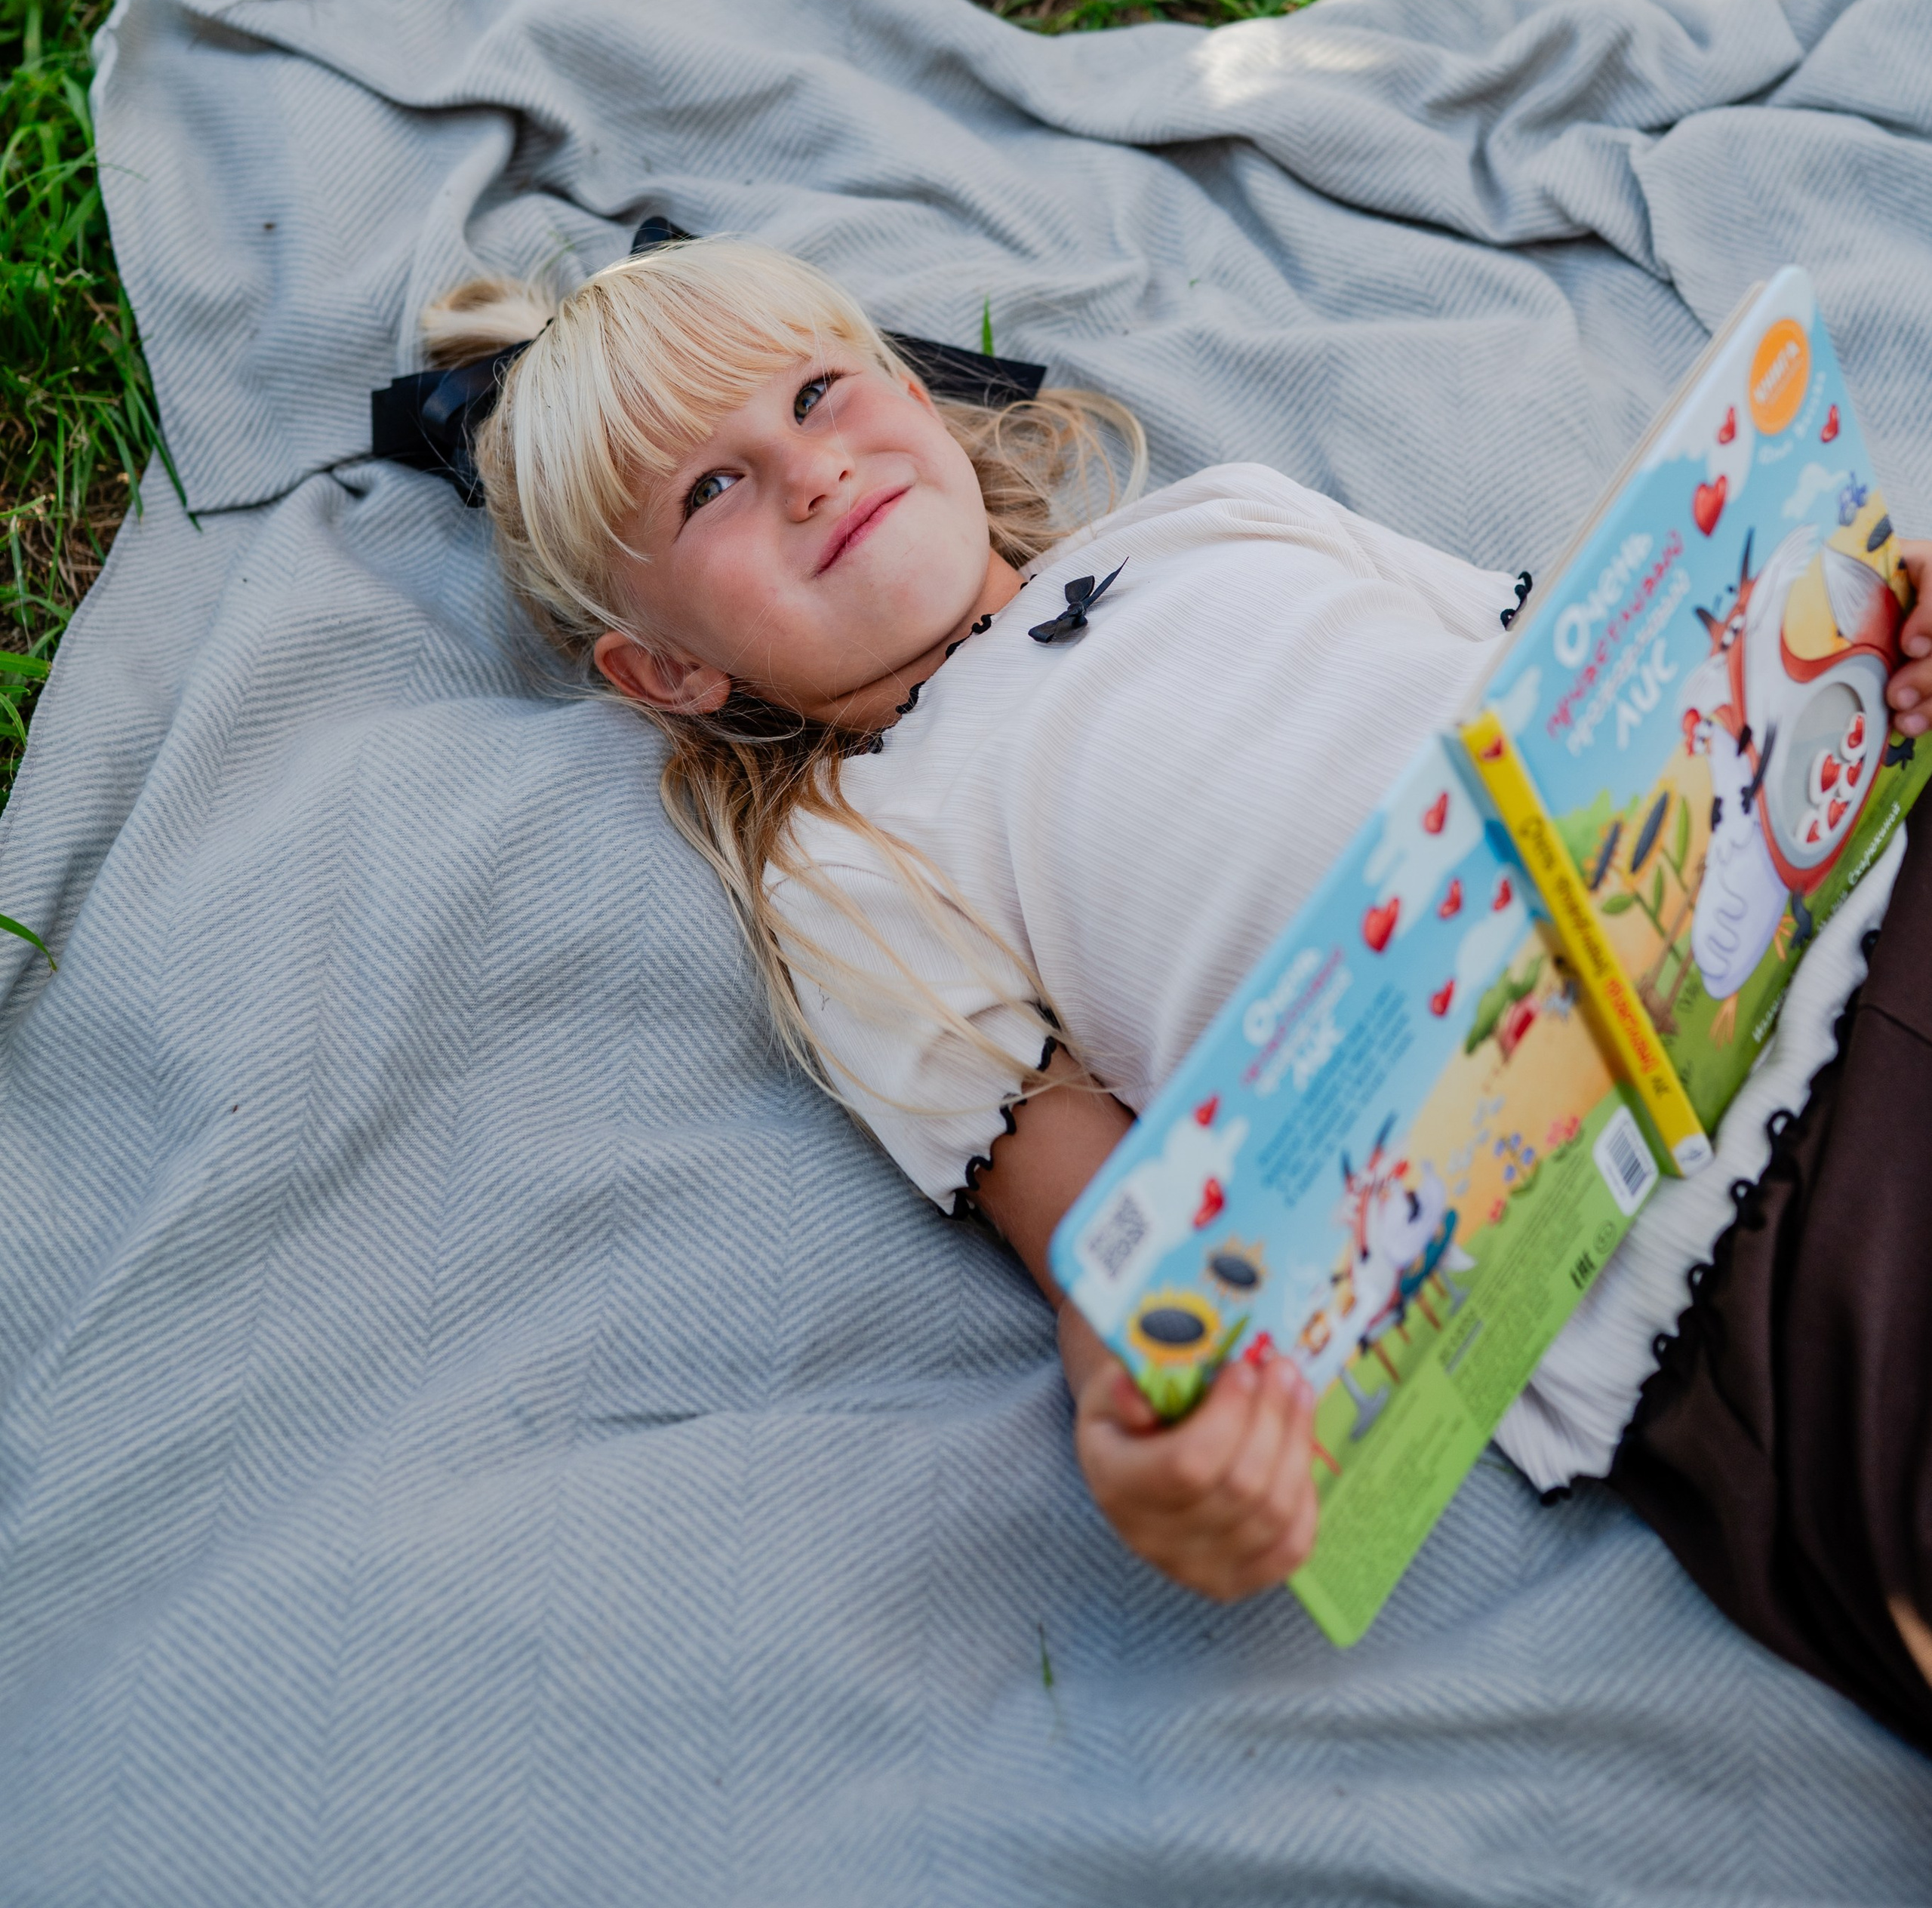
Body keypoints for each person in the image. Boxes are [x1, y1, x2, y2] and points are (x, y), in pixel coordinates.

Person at [424, 236, 1932, 1734]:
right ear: (667, 675)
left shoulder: (1222, 514)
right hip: (1709, 1231)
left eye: (817, 394)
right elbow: (1087, 1218)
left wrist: (1874, 635)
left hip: (1857, 883)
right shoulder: (853, 853)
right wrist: (1156, 1412)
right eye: (710, 489)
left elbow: (1587, 664)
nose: (807, 471)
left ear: (908, 393)